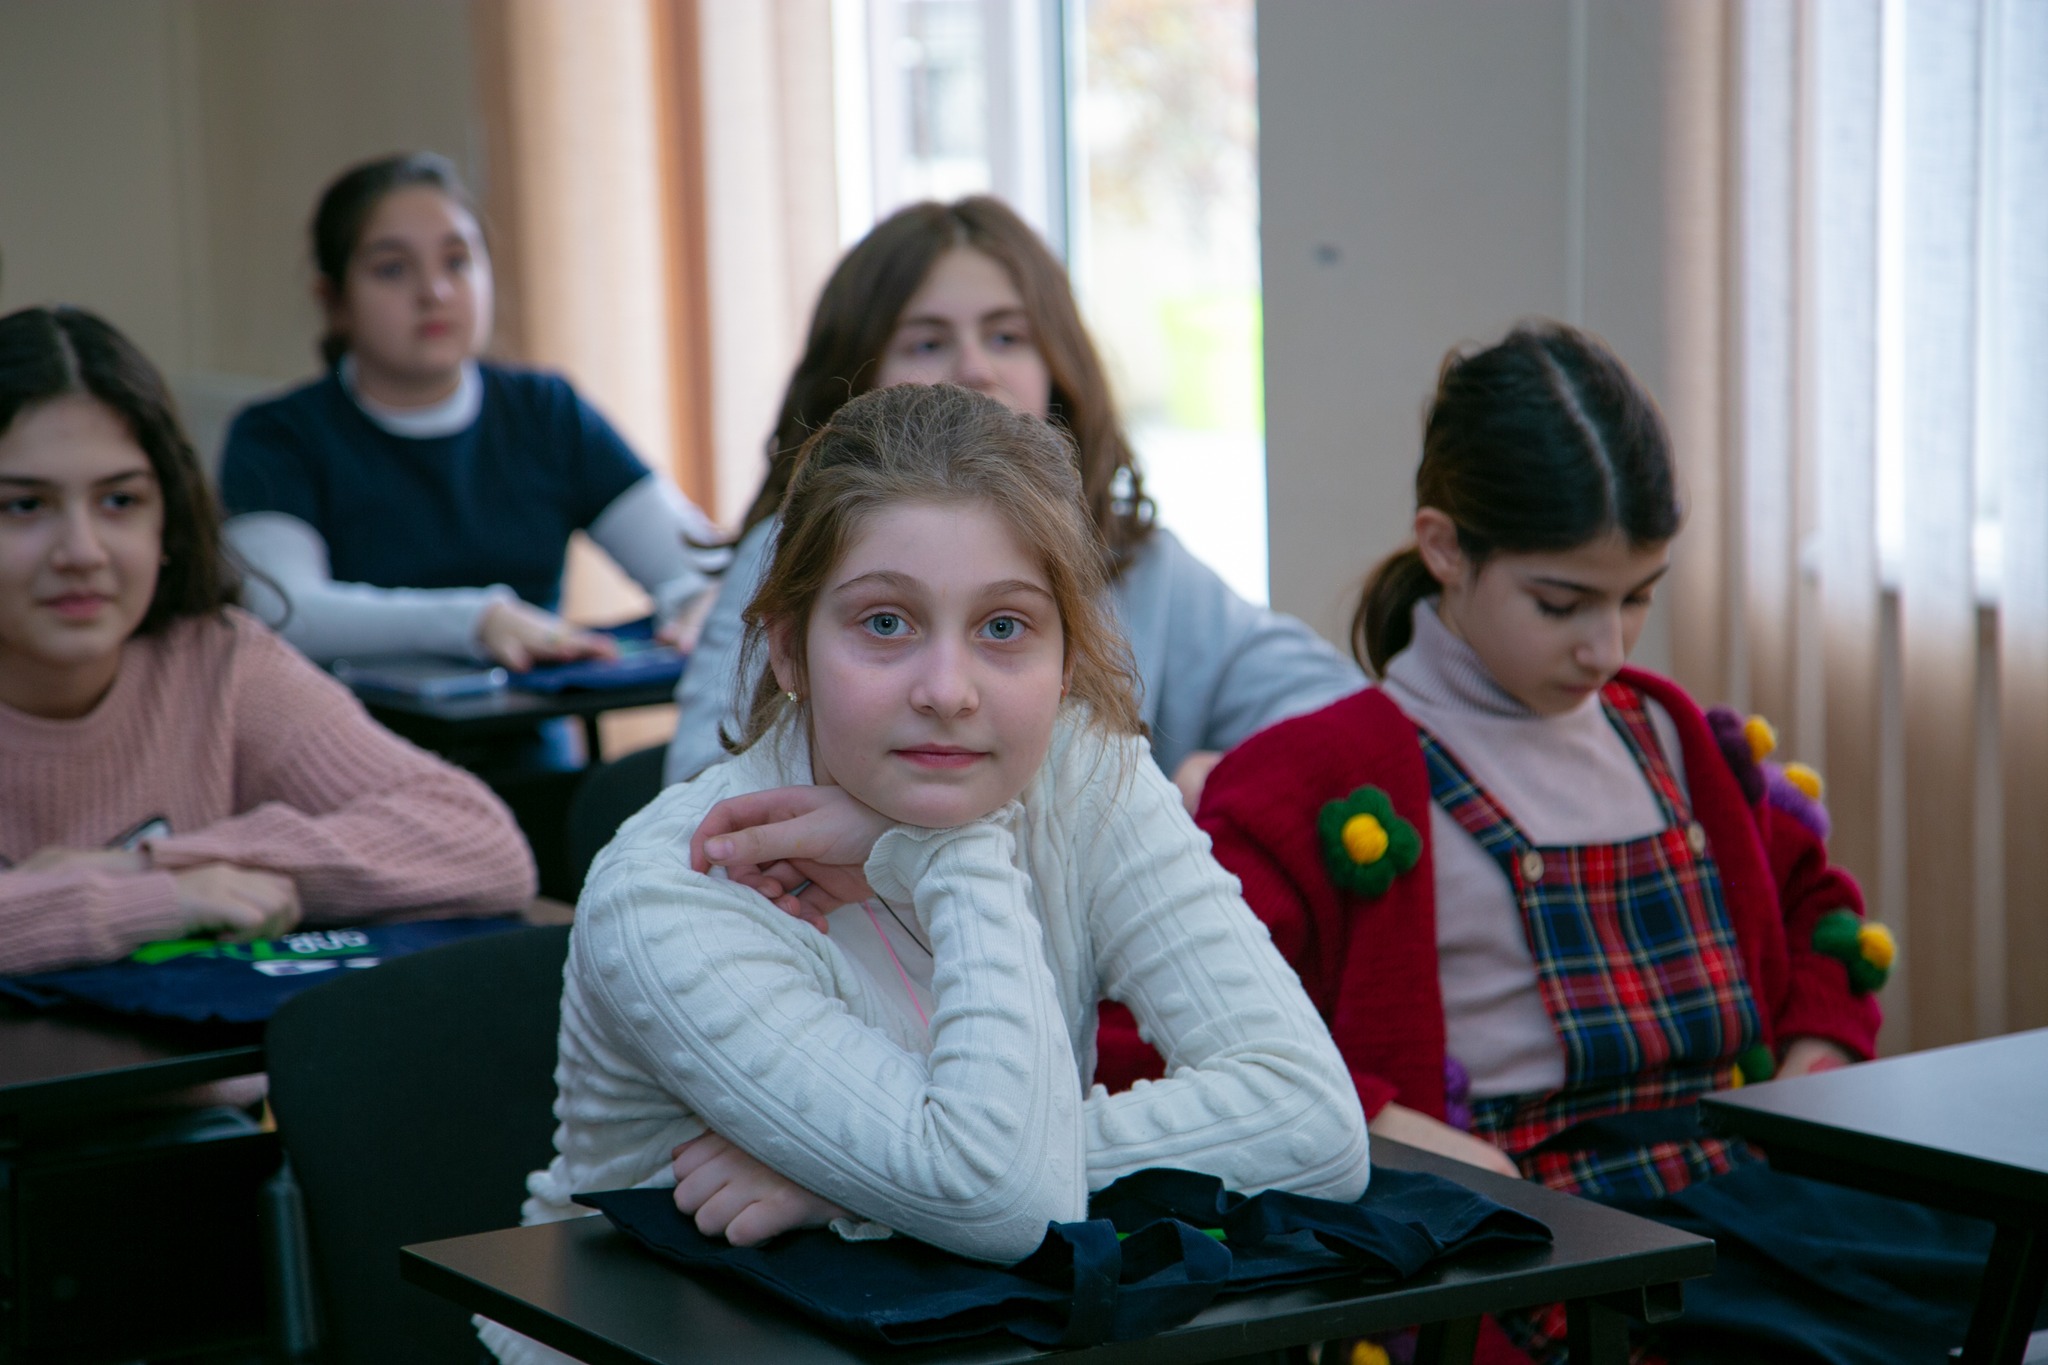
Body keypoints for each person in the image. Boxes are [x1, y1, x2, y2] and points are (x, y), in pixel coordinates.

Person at [1110, 321, 1992, 1365]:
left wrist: (1817, 1057)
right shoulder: (1310, 780)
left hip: (1753, 1201)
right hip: (1546, 1248)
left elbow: (1819, 916)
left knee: (2004, 1260)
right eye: (1561, 603)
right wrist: (1373, 1122)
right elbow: (1171, 1034)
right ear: (1444, 547)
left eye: (1637, 597)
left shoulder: (1677, 740)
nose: (1604, 646)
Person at [479, 383, 1370, 1365]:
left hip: (960, 1330)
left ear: (1065, 658)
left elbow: (1311, 1120)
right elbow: (1004, 1196)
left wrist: (854, 1187)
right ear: (788, 649)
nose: (948, 691)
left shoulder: (1086, 772)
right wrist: (952, 855)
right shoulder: (678, 886)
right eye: (885, 623)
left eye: (1004, 627)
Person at [663, 196, 1361, 807]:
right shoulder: (788, 553)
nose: (975, 368)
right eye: (927, 342)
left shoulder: (1135, 560)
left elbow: (1342, 713)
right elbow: (701, 794)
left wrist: (1234, 775)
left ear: (1058, 370)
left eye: (1006, 336)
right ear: (853, 379)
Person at [0, 305, 537, 977]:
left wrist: (147, 863)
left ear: (168, 521)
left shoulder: (219, 660)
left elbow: (482, 844)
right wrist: (148, 902)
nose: (82, 552)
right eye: (24, 505)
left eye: (120, 501)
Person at [219, 152, 721, 672]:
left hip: (538, 723)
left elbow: (697, 568)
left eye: (456, 262)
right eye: (392, 269)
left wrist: (703, 604)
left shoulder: (546, 411)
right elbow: (281, 611)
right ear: (333, 301)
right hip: (351, 724)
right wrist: (477, 621)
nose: (434, 292)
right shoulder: (277, 436)